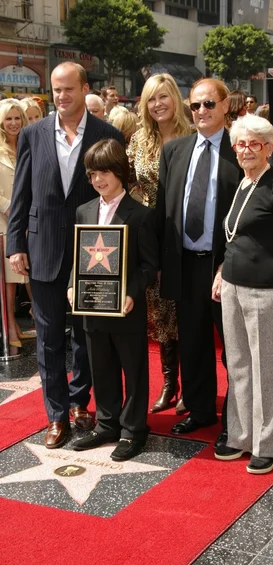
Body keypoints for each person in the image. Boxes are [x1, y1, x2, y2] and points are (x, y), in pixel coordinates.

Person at [6, 61, 125, 449]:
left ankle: (80, 404)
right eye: (56, 90)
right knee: (49, 339)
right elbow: (22, 195)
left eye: (68, 89)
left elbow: (116, 195)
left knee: (86, 339)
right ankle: (56, 415)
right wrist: (15, 245)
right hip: (42, 252)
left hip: (93, 255)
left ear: (84, 88)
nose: (61, 96)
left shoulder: (107, 134)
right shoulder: (33, 134)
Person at [212, 113, 273, 473]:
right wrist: (221, 272)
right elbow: (235, 234)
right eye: (240, 143)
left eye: (254, 143)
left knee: (267, 371)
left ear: (269, 147)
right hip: (234, 288)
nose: (246, 149)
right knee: (238, 368)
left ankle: (268, 445)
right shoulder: (243, 183)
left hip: (270, 292)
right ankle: (239, 436)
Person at [156, 77, 243, 437]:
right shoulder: (174, 151)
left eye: (209, 104)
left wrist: (230, 262)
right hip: (187, 264)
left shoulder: (242, 151)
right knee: (193, 343)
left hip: (228, 266)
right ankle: (202, 409)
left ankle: (239, 417)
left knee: (234, 346)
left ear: (225, 105)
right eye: (195, 105)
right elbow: (164, 211)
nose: (202, 111)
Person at [69, 139, 158, 460]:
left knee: (133, 368)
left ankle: (134, 429)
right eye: (92, 174)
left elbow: (150, 265)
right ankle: (106, 423)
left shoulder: (141, 215)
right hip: (92, 306)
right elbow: (79, 257)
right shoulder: (84, 210)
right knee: (101, 366)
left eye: (104, 172)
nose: (98, 180)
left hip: (126, 309)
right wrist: (71, 286)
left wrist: (131, 294)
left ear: (120, 171)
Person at [127, 73, 190, 415]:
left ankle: (192, 385)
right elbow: (127, 183)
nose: (158, 104)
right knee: (161, 312)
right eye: (151, 99)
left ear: (176, 100)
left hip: (186, 236)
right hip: (149, 238)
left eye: (164, 97)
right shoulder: (139, 140)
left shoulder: (192, 136)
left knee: (187, 311)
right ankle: (170, 382)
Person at [0, 99, 29, 350]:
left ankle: (20, 325)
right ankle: (9, 326)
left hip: (29, 219)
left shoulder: (29, 143)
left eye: (17, 117)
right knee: (8, 282)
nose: (13, 123)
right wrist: (9, 207)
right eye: (8, 118)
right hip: (4, 222)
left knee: (25, 277)